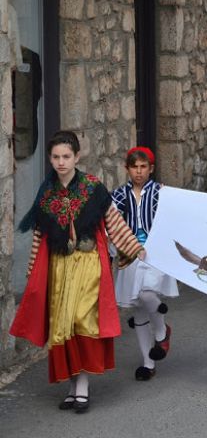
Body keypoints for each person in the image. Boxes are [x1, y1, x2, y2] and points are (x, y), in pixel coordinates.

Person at [10, 130, 144, 413]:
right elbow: (39, 236)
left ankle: (82, 386)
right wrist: (34, 272)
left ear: (77, 157)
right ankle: (72, 386)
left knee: (83, 321)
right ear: (50, 158)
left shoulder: (93, 188)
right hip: (59, 269)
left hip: (88, 267)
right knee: (62, 326)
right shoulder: (46, 194)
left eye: (66, 156)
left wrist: (133, 247)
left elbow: (113, 222)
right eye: (56, 157)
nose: (61, 162)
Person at [111, 147, 179, 381]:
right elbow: (110, 221)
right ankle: (148, 363)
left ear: (151, 168)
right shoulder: (119, 195)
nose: (138, 172)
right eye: (134, 167)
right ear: (127, 169)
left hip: (154, 254)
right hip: (129, 254)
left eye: (143, 167)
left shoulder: (161, 193)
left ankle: (161, 331)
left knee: (147, 292)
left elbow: (174, 217)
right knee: (138, 305)